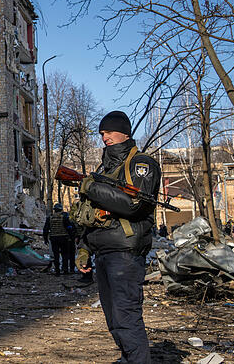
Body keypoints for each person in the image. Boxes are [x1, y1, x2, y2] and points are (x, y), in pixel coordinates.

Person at [73, 110, 160, 364]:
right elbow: (93, 215)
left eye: (109, 132)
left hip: (125, 252)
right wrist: (84, 249)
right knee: (114, 319)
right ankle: (130, 359)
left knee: (126, 317)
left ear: (125, 132)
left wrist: (91, 187)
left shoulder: (140, 164)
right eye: (102, 133)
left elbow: (135, 205)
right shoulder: (105, 169)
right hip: (104, 252)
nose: (105, 137)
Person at [43, 203, 75, 275]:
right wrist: (71, 237)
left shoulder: (50, 217)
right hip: (64, 238)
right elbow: (69, 228)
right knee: (65, 255)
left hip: (54, 238)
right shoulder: (64, 217)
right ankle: (65, 270)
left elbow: (45, 229)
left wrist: (45, 239)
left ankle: (57, 271)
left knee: (56, 255)